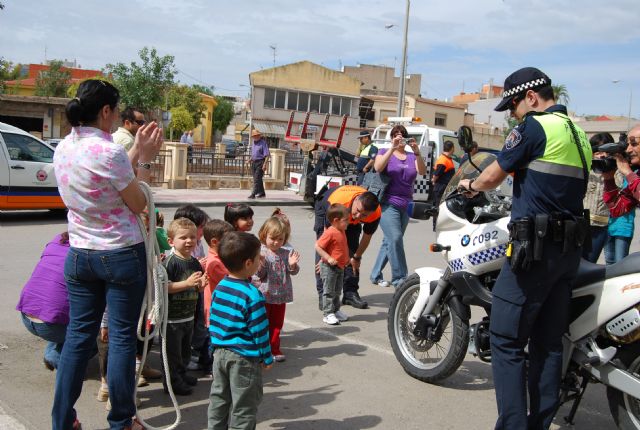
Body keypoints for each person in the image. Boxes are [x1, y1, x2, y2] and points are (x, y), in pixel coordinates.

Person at [458, 67, 591, 429]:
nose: (513, 114)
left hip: (533, 253)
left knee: (505, 339)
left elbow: (492, 176)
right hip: (567, 254)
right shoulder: (579, 133)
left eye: (514, 105)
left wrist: (470, 183)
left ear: (531, 97)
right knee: (548, 345)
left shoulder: (534, 127)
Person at [52, 79, 163, 430]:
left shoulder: (65, 147)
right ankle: (121, 421)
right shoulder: (109, 152)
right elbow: (138, 200)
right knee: (120, 339)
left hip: (81, 255)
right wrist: (145, 159)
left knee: (77, 338)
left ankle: (62, 419)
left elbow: (111, 175)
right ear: (104, 111)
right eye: (115, 111)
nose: (116, 118)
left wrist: (134, 156)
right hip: (119, 255)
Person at [208, 231, 273, 430]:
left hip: (220, 354)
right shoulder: (252, 295)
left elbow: (214, 319)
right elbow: (260, 332)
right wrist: (267, 357)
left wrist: (213, 347)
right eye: (258, 257)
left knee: (219, 399)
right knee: (244, 405)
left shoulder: (221, 286)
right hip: (244, 358)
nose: (260, 260)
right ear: (248, 264)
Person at [370, 125, 426, 288]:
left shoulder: (411, 156)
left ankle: (375, 274)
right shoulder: (384, 152)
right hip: (388, 203)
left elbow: (422, 171)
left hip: (406, 205)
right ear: (391, 138)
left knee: (389, 241)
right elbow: (378, 167)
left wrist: (417, 152)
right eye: (396, 135)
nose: (399, 138)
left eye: (402, 135)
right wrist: (392, 148)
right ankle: (400, 279)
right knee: (395, 238)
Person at [314, 185, 381, 309]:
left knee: (351, 251)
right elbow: (327, 238)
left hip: (347, 216)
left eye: (364, 215)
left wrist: (356, 257)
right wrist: (325, 258)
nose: (358, 216)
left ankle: (350, 293)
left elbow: (367, 237)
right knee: (325, 256)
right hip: (328, 209)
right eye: (358, 210)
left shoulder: (375, 213)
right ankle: (324, 295)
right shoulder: (338, 203)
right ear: (356, 201)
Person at [162, 218, 208, 396]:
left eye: (193, 237)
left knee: (184, 351)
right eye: (183, 237)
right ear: (171, 241)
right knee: (172, 353)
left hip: (188, 316)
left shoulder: (194, 262)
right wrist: (188, 283)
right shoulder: (170, 262)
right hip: (172, 318)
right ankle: (172, 382)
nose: (189, 241)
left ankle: (181, 374)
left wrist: (200, 285)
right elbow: (165, 287)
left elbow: (197, 286)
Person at [16, 232, 70, 370]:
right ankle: (56, 358)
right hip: (51, 324)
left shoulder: (58, 239)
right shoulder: (88, 252)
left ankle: (56, 350)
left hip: (27, 315)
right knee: (97, 332)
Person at [255, 216, 300, 360]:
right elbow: (259, 275)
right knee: (262, 322)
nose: (276, 242)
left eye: (280, 239)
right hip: (265, 294)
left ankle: (274, 349)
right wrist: (260, 262)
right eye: (272, 238)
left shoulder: (286, 253)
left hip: (281, 295)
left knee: (277, 324)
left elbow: (292, 272)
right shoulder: (261, 252)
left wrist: (293, 265)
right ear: (264, 235)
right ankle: (262, 350)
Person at [602, 125, 640, 262]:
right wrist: (608, 178)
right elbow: (617, 208)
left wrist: (628, 173)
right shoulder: (637, 174)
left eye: (634, 144)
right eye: (628, 144)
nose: (628, 150)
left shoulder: (633, 175)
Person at [315, 204, 351, 325]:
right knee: (329, 291)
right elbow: (318, 246)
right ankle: (327, 313)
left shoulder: (341, 230)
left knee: (337, 290)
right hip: (329, 267)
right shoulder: (330, 232)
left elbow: (341, 248)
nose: (348, 222)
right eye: (346, 220)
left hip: (340, 267)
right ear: (336, 220)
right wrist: (328, 258)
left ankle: (336, 310)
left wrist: (346, 259)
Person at [582, 133, 614, 263]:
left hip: (601, 227)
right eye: (599, 151)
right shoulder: (584, 169)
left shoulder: (615, 171)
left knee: (589, 263)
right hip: (582, 224)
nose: (602, 155)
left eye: (606, 152)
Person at [202, 220, 234, 329]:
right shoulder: (214, 263)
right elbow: (233, 279)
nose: (232, 242)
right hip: (218, 310)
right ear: (215, 242)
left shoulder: (220, 257)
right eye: (228, 240)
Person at [431, 140, 456, 230]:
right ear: (452, 148)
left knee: (443, 207)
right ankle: (436, 225)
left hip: (444, 188)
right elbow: (436, 174)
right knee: (438, 207)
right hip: (440, 187)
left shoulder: (447, 159)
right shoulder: (443, 160)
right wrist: (434, 180)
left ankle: (441, 224)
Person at [248, 129, 270, 199]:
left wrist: (264, 164)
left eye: (257, 135)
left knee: (257, 179)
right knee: (257, 178)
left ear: (259, 136)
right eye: (254, 136)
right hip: (254, 162)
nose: (256, 137)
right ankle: (262, 193)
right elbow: (254, 154)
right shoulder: (253, 143)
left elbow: (267, 155)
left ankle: (253, 194)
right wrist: (250, 159)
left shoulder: (263, 143)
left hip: (260, 162)